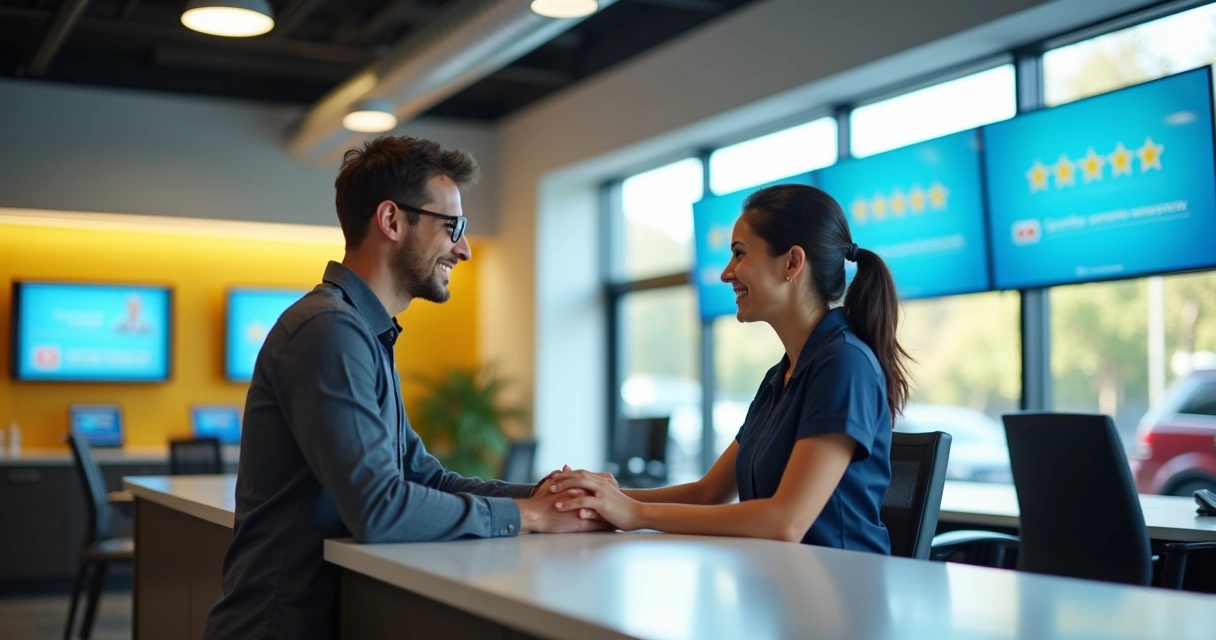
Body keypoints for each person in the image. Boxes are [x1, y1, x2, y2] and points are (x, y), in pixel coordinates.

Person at [202, 136, 606, 640]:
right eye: (451, 226)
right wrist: (530, 515)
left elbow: (422, 476)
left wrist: (546, 494)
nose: (463, 247)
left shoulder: (361, 332)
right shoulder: (328, 331)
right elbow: (381, 509)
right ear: (392, 221)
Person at [547, 184, 912, 553]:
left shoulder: (845, 365)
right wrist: (603, 497)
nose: (726, 273)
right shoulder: (780, 376)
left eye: (739, 254)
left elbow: (786, 521)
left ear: (792, 263)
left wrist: (636, 513)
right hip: (781, 584)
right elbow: (709, 493)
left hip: (843, 596)